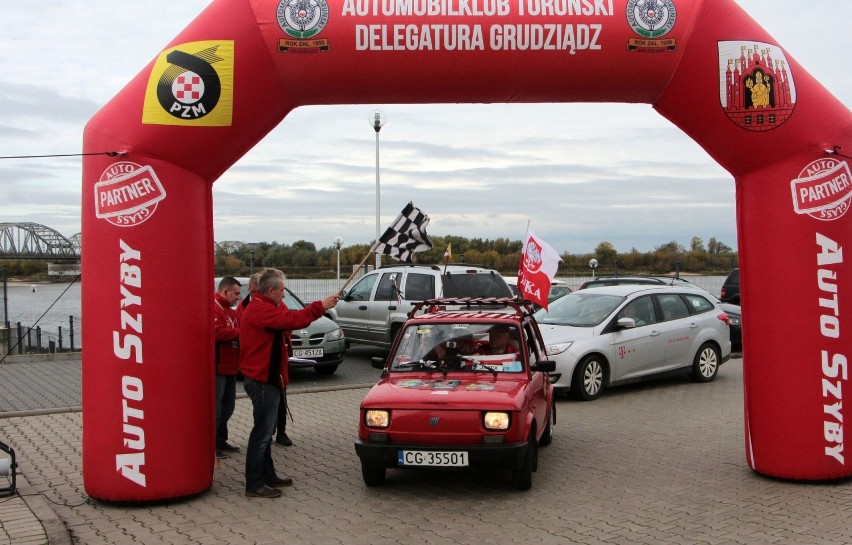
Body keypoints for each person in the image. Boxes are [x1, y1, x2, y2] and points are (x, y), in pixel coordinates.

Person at [239, 268, 339, 498]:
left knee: (264, 432)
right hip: (263, 380)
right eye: (282, 291)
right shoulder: (260, 310)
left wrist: (319, 307)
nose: (284, 295)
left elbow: (290, 318)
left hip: (267, 378)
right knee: (261, 434)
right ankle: (254, 483)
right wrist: (320, 306)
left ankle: (267, 475)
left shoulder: (262, 306)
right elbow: (292, 319)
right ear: (271, 290)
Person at [213, 276, 242, 459]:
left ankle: (221, 439)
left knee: (228, 406)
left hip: (230, 366)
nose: (238, 298)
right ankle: (213, 445)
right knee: (217, 408)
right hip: (218, 367)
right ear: (225, 291)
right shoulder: (215, 308)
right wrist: (241, 333)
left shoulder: (229, 311)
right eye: (236, 294)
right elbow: (216, 332)